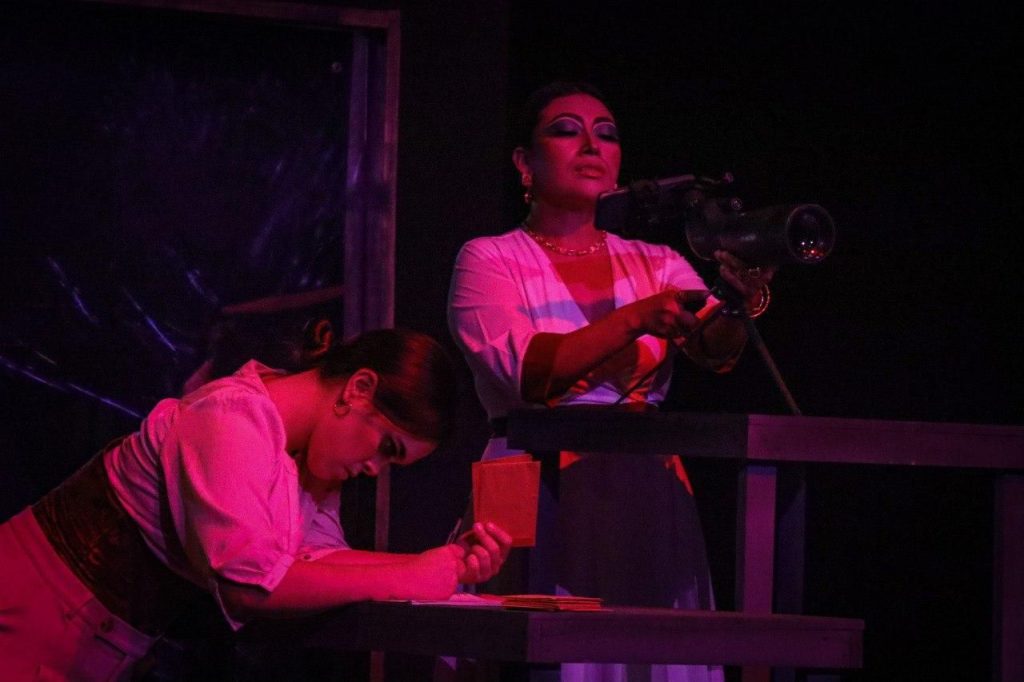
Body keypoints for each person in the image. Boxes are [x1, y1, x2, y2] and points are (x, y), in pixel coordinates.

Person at [447, 81, 775, 681]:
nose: (591, 144)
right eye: (566, 130)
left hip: (644, 486)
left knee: (646, 653)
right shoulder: (489, 259)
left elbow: (715, 350)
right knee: (542, 650)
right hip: (532, 478)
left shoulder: (654, 261)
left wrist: (738, 300)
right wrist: (635, 319)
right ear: (524, 161)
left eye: (607, 134)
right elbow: (528, 374)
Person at [0, 327, 513, 681]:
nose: (375, 469)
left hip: (83, 645)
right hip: (27, 622)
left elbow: (313, 562)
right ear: (359, 388)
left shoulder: (298, 458)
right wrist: (411, 577)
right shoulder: (231, 421)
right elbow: (250, 585)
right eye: (387, 447)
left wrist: (442, 565)